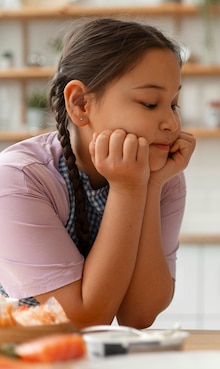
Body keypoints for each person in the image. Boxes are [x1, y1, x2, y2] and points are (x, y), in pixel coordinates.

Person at [0, 18, 196, 329]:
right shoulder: (18, 179)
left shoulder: (162, 174)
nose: (172, 124)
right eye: (149, 103)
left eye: (173, 104)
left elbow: (139, 315)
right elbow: (82, 320)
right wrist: (129, 189)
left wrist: (151, 185)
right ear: (80, 104)